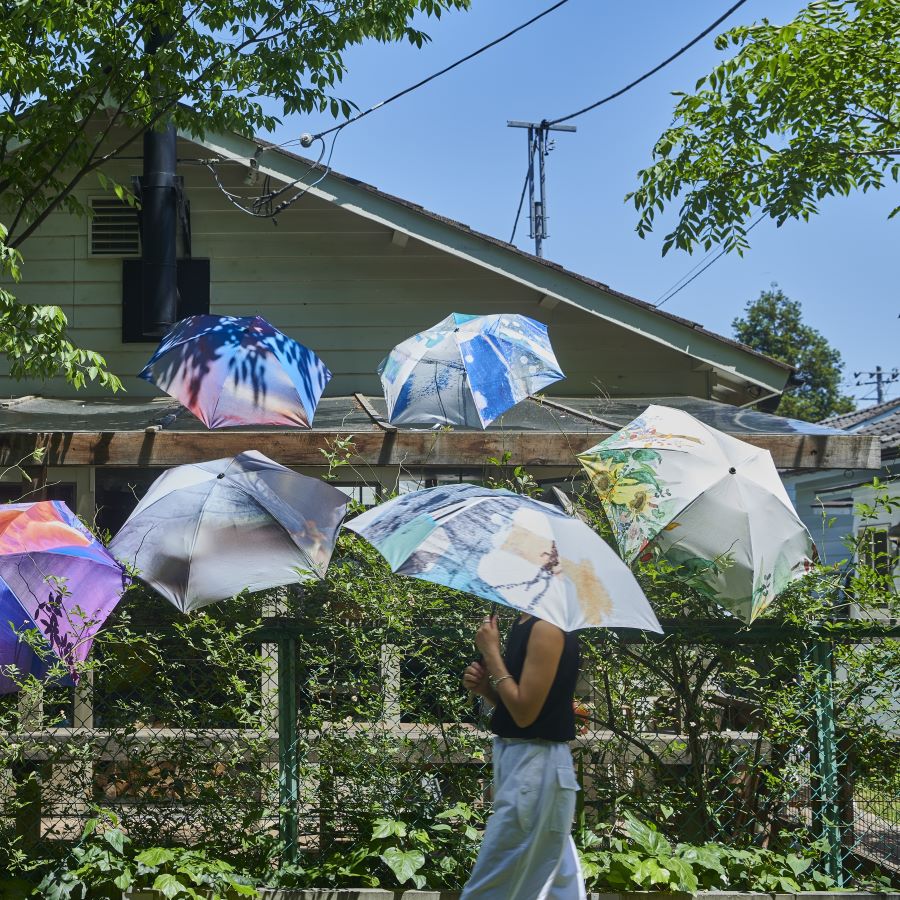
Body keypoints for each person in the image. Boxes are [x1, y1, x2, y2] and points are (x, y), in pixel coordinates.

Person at [460, 611, 586, 900]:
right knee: (556, 888)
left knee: (491, 887)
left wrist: (491, 653)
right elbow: (521, 710)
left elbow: (525, 713)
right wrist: (486, 690)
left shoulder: (547, 627)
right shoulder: (525, 622)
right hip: (527, 764)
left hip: (537, 768)